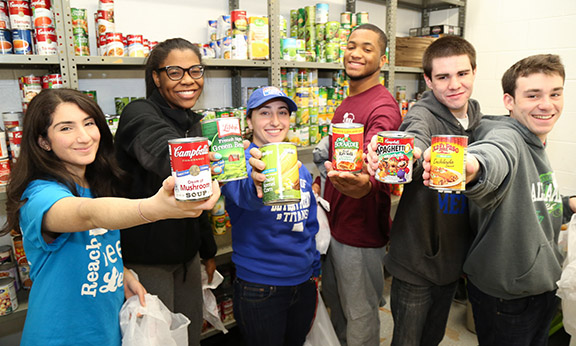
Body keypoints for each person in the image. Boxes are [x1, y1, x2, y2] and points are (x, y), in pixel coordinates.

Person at [0, 88, 220, 345]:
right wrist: (154, 208)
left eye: (89, 123)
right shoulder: (39, 194)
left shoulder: (97, 184)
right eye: (66, 128)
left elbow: (95, 243)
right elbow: (87, 215)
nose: (84, 137)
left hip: (107, 332)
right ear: (43, 142)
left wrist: (122, 272)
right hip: (60, 336)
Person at [422, 54, 576, 345]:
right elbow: (493, 157)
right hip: (509, 299)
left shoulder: (534, 137)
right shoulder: (507, 136)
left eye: (555, 93)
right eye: (533, 95)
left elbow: (532, 201)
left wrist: (568, 204)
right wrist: (473, 169)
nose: (547, 104)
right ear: (509, 101)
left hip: (541, 286)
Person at [366, 35, 481, 346]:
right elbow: (414, 140)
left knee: (433, 338)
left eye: (462, 74)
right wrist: (402, 155)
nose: (454, 84)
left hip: (452, 260)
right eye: (442, 77)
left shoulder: (477, 118)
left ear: (473, 72)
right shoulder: (422, 114)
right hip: (416, 262)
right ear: (429, 81)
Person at [113, 38, 217, 346]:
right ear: (156, 77)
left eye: (196, 70)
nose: (188, 79)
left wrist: (207, 250)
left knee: (190, 338)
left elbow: (198, 201)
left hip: (187, 259)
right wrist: (189, 163)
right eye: (174, 71)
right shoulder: (138, 113)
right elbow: (158, 145)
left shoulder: (194, 123)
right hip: (147, 263)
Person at [318, 23, 402, 346]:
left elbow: (379, 166)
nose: (356, 53)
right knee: (337, 307)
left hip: (360, 233)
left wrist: (365, 184)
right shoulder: (348, 102)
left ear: (382, 59)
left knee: (360, 316)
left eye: (367, 48)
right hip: (336, 226)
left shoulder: (382, 107)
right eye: (352, 45)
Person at [221, 86, 320, 346]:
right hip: (260, 287)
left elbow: (309, 224)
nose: (275, 121)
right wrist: (258, 185)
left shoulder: (299, 169)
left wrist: (314, 269)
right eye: (265, 113)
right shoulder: (237, 166)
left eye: (282, 112)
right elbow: (245, 195)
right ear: (249, 120)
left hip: (304, 282)